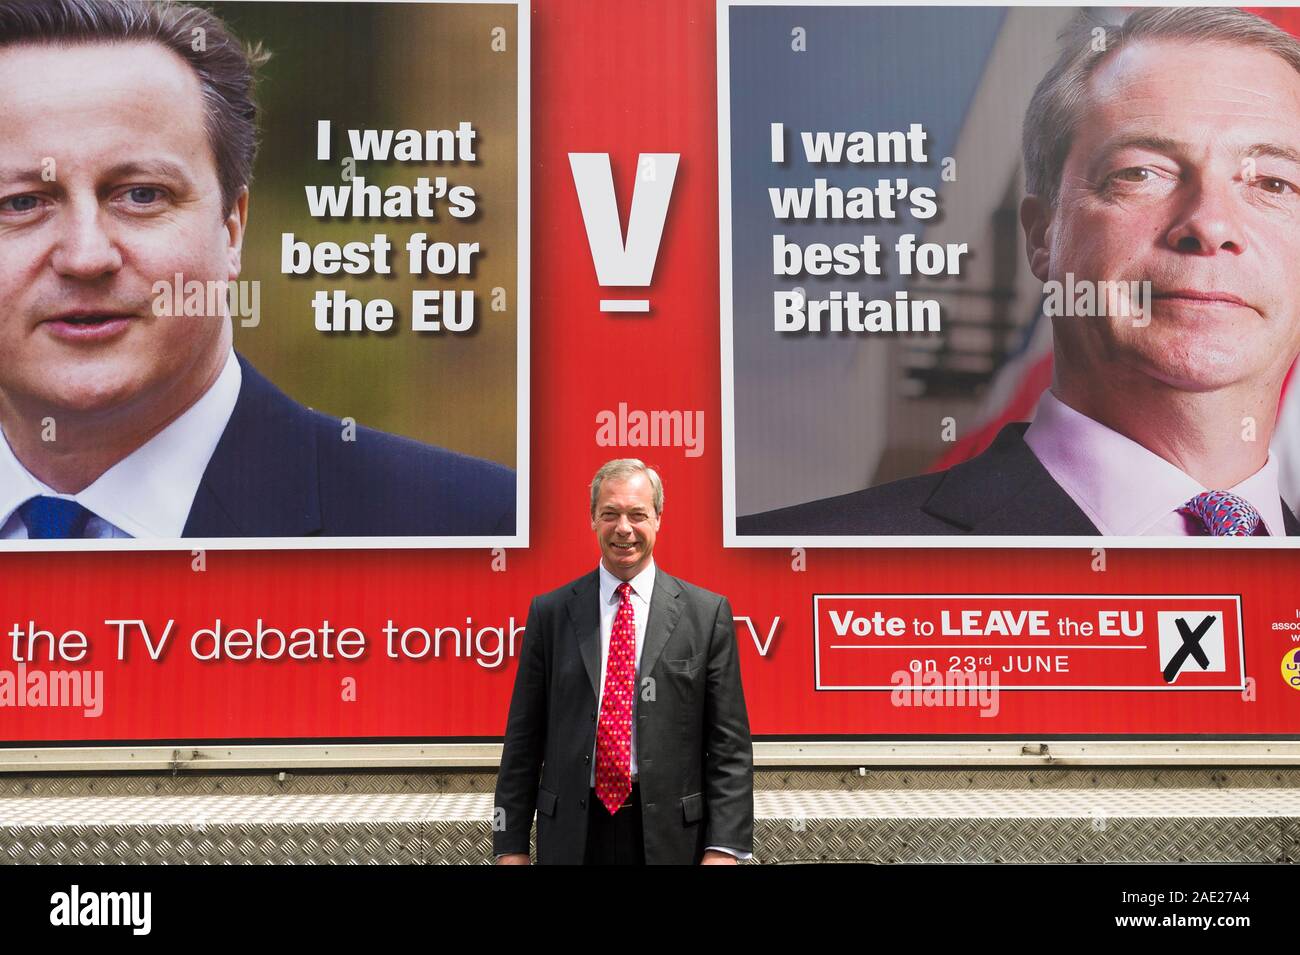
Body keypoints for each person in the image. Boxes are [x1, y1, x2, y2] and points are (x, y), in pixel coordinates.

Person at [740, 7, 1300, 538]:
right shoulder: (781, 566)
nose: (1210, 223)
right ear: (1041, 235)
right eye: (1141, 173)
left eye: (1274, 183)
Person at [0, 0, 514, 539]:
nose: (85, 257)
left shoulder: (474, 527)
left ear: (232, 229)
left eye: (142, 195)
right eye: (20, 203)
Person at [494, 459, 753, 864]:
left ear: (658, 519)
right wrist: (510, 847)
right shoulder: (551, 613)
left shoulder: (707, 615)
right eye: (610, 514)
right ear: (592, 519)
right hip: (573, 836)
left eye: (637, 514)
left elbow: (729, 749)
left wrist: (723, 849)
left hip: (672, 839)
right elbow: (523, 742)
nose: (624, 528)